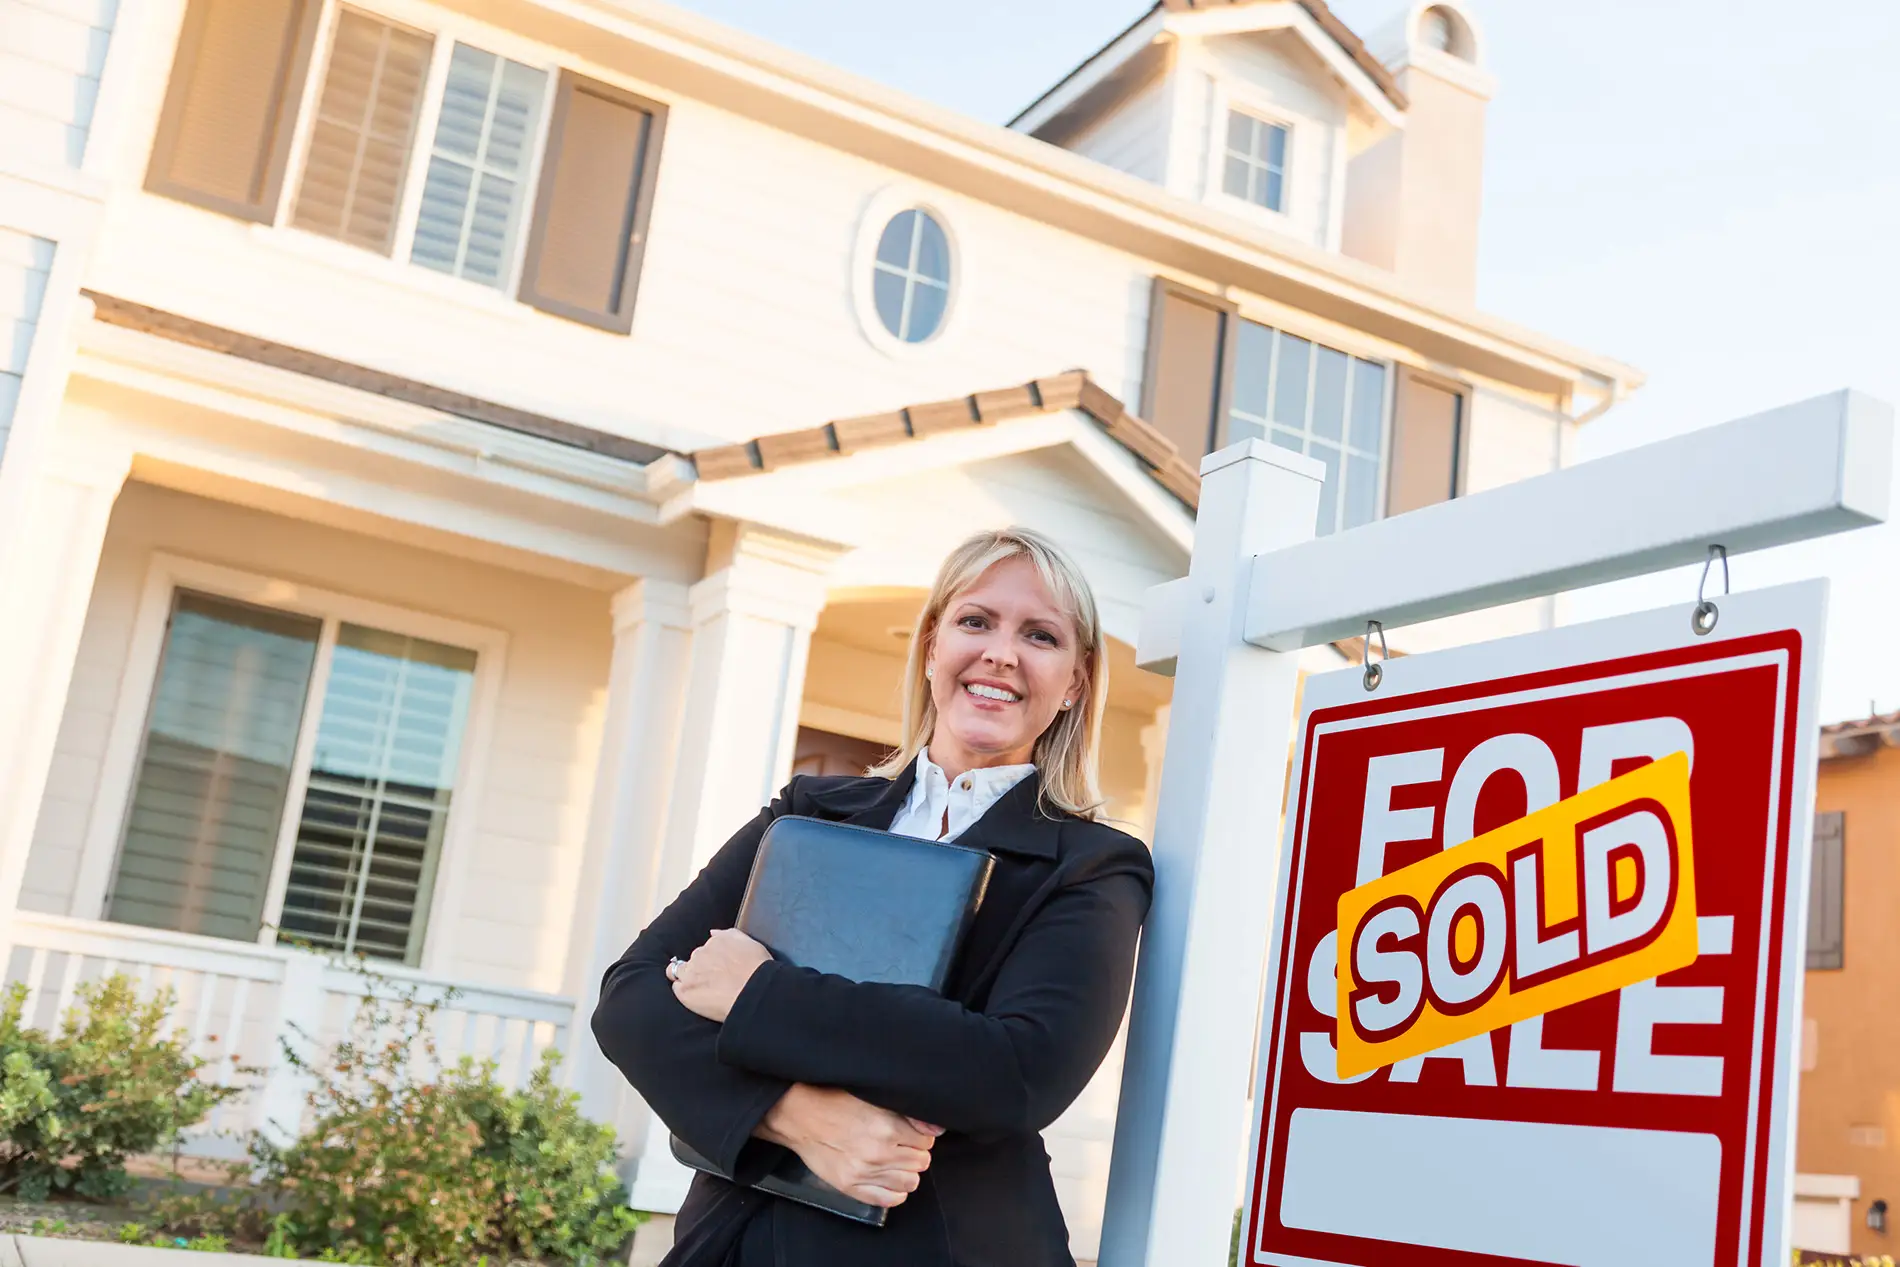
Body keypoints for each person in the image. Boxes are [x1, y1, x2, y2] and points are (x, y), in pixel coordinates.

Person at [591, 527, 1155, 1267]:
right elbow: (631, 997)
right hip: (734, 1237)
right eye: (975, 620)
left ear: (1075, 681)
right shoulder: (808, 813)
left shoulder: (1092, 863)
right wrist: (793, 1118)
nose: (1000, 653)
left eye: (1040, 635)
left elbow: (1017, 1072)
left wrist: (758, 991)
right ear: (930, 646)